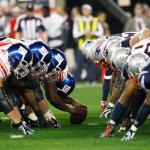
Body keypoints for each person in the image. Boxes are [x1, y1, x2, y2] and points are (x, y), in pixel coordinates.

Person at [73, 4, 104, 84]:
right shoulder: (78, 21)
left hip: (92, 47)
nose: (85, 11)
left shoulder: (96, 20)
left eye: (87, 10)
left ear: (90, 11)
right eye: (84, 10)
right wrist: (84, 32)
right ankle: (77, 80)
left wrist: (93, 32)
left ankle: (91, 80)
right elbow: (75, 34)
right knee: (79, 64)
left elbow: (101, 33)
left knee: (92, 65)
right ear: (82, 11)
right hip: (81, 47)